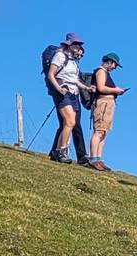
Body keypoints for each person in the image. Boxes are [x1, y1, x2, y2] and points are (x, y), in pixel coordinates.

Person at [44, 34, 89, 164]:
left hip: (74, 93)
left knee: (69, 123)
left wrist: (86, 88)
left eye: (79, 44)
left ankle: (58, 151)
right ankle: (61, 151)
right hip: (64, 93)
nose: (78, 47)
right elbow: (51, 74)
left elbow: (74, 80)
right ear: (69, 44)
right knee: (69, 122)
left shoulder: (73, 61)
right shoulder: (60, 56)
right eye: (75, 44)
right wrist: (58, 88)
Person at [83, 52, 127, 171]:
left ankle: (98, 158)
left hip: (109, 104)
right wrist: (116, 90)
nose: (114, 68)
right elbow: (101, 87)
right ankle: (93, 159)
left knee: (104, 132)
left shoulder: (105, 72)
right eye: (114, 65)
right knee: (99, 131)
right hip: (103, 103)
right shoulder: (100, 71)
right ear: (109, 62)